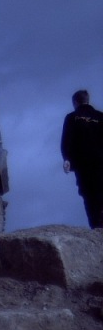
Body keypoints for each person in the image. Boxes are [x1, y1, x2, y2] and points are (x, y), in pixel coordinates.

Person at [61, 90, 103, 229]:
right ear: (87, 100)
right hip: (101, 163)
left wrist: (67, 159)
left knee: (88, 194)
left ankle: (96, 227)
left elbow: (66, 140)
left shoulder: (71, 118)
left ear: (75, 102)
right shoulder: (101, 116)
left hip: (83, 165)